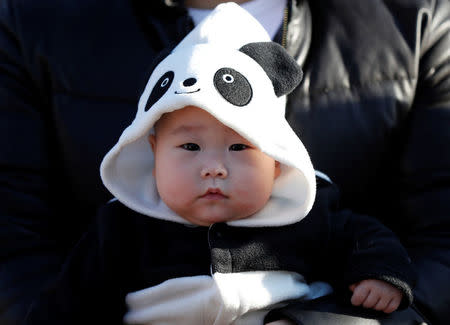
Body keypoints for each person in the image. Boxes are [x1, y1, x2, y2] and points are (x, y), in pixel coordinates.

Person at [0, 0, 449, 324]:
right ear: (151, 151)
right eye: (189, 148)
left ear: (277, 161)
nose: (213, 167)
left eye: (239, 148)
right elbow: (67, 298)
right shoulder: (122, 228)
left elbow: (373, 240)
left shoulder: (309, 213)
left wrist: (382, 280)